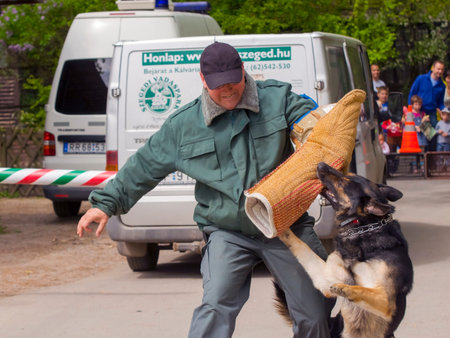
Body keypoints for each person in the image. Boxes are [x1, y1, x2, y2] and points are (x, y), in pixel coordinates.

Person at [76, 42, 333, 338]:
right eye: (218, 85)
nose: (227, 90)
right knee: (216, 305)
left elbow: (315, 126)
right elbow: (143, 167)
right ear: (202, 79)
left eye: (233, 82)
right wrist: (104, 204)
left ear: (243, 71)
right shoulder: (183, 126)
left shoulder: (278, 98)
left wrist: (319, 131)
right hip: (229, 231)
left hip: (285, 225)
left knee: (316, 310)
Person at [408, 60, 446, 128]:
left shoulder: (442, 86)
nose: (440, 71)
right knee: (419, 135)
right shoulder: (421, 79)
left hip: (431, 114)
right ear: (433, 68)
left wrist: (445, 111)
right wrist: (409, 109)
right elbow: (412, 93)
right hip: (419, 112)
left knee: (432, 135)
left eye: (442, 70)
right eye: (438, 69)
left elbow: (440, 103)